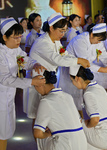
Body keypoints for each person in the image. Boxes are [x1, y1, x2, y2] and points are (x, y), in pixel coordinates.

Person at [24, 13, 90, 123]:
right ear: (51, 28)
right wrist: (78, 60)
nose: (62, 34)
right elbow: (57, 59)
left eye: (64, 31)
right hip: (38, 82)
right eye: (61, 31)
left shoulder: (56, 41)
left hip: (49, 81)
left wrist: (78, 59)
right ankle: (40, 139)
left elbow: (64, 54)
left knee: (48, 115)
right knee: (38, 118)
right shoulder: (42, 42)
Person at [0, 18, 46, 150]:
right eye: (15, 37)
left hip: (8, 95)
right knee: (1, 131)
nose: (19, 40)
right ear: (4, 37)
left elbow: (24, 59)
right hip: (1, 94)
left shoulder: (14, 49)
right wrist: (31, 82)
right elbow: (6, 79)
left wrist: (34, 64)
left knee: (5, 130)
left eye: (20, 36)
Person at [59, 23, 107, 112]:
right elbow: (85, 63)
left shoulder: (96, 41)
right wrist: (104, 70)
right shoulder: (80, 41)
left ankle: (80, 120)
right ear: (92, 34)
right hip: (71, 73)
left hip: (81, 73)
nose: (99, 42)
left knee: (80, 101)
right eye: (98, 40)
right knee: (72, 100)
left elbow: (104, 55)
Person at [70, 66, 107, 150]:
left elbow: (95, 120)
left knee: (76, 127)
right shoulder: (99, 87)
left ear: (77, 78)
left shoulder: (88, 93)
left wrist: (87, 124)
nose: (72, 83)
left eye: (72, 80)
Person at [33, 70, 87, 150]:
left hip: (66, 145)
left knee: (40, 134)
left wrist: (47, 134)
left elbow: (37, 134)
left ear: (40, 84)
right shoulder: (68, 96)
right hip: (82, 144)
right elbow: (79, 120)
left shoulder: (46, 101)